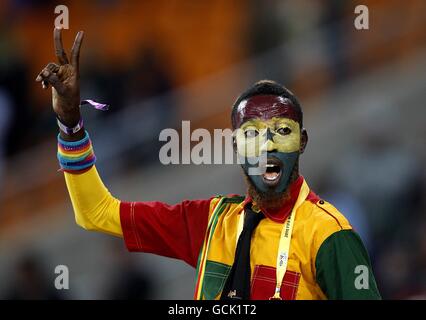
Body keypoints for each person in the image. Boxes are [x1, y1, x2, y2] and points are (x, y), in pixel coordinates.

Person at [36, 28, 381, 300]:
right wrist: (70, 124)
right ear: (234, 145)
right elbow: (95, 213)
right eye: (251, 134)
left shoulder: (329, 236)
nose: (267, 144)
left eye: (282, 131)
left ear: (302, 142)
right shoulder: (209, 223)